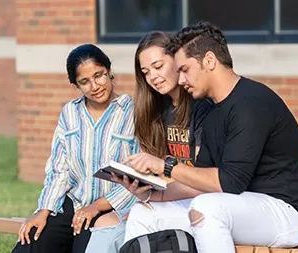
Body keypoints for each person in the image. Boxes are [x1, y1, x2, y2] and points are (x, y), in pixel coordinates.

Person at [117, 21, 298, 253]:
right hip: (240, 205)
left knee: (208, 207)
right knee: (144, 213)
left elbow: (229, 183)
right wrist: (155, 194)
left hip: (286, 213)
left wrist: (166, 166)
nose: (181, 80)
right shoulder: (212, 109)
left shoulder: (251, 103)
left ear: (210, 61)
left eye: (184, 70)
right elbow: (201, 182)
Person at [86, 31, 212, 253]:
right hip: (172, 199)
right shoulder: (159, 112)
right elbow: (162, 177)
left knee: (139, 216)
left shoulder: (200, 106)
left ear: (177, 60)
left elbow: (204, 179)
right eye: (146, 72)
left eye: (158, 66)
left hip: (203, 202)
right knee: (110, 224)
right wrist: (141, 188)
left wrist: (154, 197)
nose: (153, 76)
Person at [11, 44, 139, 253]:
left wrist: (97, 207)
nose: (95, 86)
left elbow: (138, 176)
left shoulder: (133, 113)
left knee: (84, 247)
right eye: (84, 82)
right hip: (74, 203)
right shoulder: (70, 113)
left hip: (109, 208)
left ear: (109, 71)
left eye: (99, 75)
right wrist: (44, 210)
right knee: (32, 242)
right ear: (76, 85)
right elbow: (59, 170)